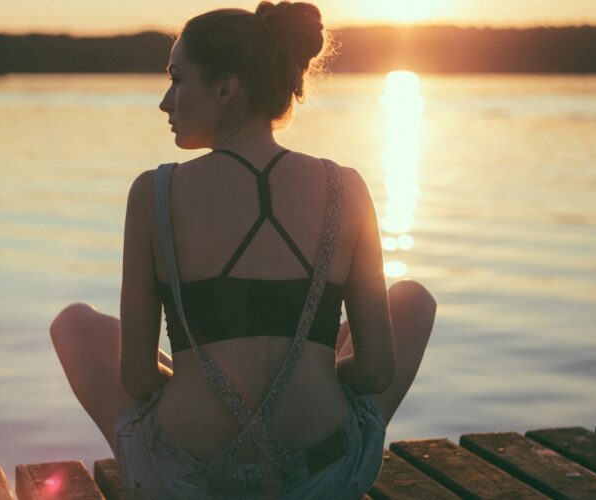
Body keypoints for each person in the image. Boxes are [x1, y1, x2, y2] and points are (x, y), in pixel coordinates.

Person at [50, 2, 437, 497]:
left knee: (74, 324)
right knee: (413, 299)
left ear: (226, 88)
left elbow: (140, 378)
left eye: (177, 79)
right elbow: (376, 371)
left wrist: (197, 380)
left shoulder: (153, 194)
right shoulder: (348, 188)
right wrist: (316, 373)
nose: (166, 103)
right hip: (323, 476)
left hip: (186, 481)